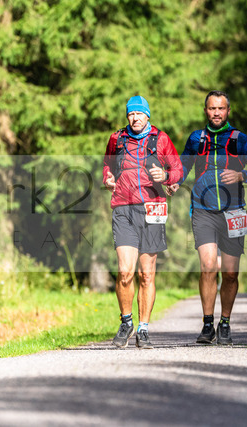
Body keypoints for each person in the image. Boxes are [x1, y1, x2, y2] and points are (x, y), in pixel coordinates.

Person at [166, 90, 247, 345]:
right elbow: (183, 166)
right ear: (206, 111)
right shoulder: (196, 139)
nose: (216, 113)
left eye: (221, 108)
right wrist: (174, 181)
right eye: (212, 108)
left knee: (230, 273)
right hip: (203, 210)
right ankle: (207, 323)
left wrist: (242, 175)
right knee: (208, 266)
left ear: (228, 111)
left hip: (234, 211)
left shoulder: (240, 139)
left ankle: (225, 322)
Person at [103, 95, 183, 349]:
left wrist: (166, 175)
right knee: (125, 271)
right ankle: (126, 321)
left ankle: (144, 329)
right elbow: (107, 165)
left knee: (146, 274)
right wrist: (108, 178)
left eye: (139, 113)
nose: (135, 118)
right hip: (123, 207)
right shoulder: (117, 139)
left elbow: (178, 170)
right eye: (131, 114)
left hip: (152, 207)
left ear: (147, 115)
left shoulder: (161, 139)